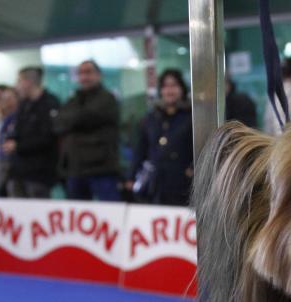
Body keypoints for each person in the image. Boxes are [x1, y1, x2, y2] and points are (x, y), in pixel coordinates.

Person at [54, 60, 121, 201]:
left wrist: (72, 120)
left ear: (99, 75)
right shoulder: (73, 100)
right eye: (81, 73)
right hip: (75, 168)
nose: (84, 77)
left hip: (101, 167)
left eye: (89, 72)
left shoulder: (107, 98)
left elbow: (84, 118)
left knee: (110, 213)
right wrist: (74, 119)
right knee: (77, 214)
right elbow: (58, 122)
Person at [129, 69, 194, 206]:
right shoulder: (150, 118)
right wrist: (131, 176)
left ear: (182, 88)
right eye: (165, 86)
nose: (169, 90)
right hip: (155, 184)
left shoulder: (192, 117)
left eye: (174, 85)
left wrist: (192, 170)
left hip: (183, 185)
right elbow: (140, 150)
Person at [2, 67, 60, 199]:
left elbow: (48, 138)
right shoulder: (24, 105)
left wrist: (18, 146)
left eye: (18, 81)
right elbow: (16, 130)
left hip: (39, 173)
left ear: (28, 82)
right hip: (18, 171)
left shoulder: (50, 103)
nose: (16, 87)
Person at [0, 88, 19, 197]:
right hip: (0, 161)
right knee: (0, 192)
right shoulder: (0, 118)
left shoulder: (19, 117)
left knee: (13, 192)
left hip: (13, 162)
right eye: (3, 99)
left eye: (9, 98)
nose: (6, 102)